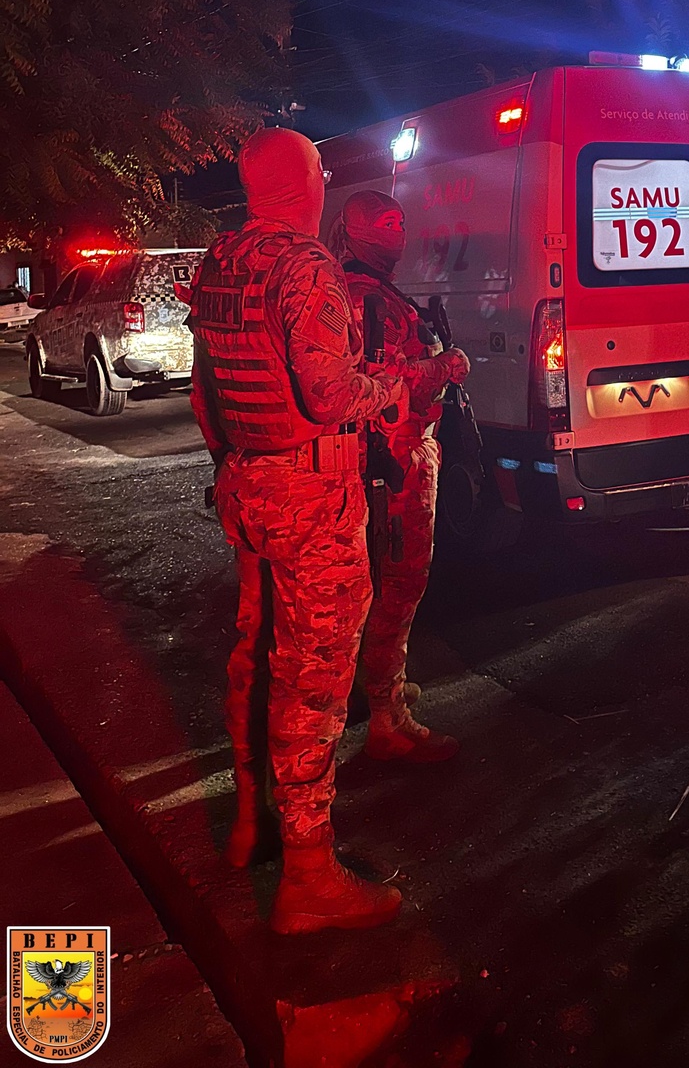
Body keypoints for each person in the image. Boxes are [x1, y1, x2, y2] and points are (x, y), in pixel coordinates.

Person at [189, 128, 410, 936]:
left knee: (256, 647)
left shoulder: (220, 262)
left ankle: (251, 822)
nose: (325, 180)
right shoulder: (305, 265)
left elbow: (202, 390)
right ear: (305, 182)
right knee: (311, 675)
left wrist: (233, 464)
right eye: (321, 169)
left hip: (246, 481)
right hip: (307, 491)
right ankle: (310, 875)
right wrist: (389, 387)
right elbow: (325, 393)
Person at [329, 190, 470, 761]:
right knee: (399, 583)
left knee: (374, 584)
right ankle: (387, 718)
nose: (398, 233)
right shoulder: (369, 299)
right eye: (388, 224)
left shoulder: (347, 290)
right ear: (361, 234)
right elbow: (387, 385)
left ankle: (377, 688)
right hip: (395, 459)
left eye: (399, 223)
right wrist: (446, 366)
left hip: (369, 461)